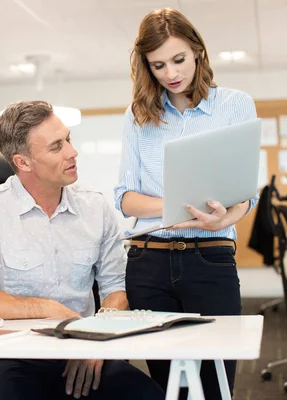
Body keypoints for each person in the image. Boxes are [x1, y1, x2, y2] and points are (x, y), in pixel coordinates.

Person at [0, 100, 164, 400]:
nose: (72, 152)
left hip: (84, 351)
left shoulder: (95, 207)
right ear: (23, 162)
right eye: (56, 146)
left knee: (148, 395)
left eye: (69, 140)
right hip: (13, 357)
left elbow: (117, 287)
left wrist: (95, 337)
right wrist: (47, 309)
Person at [114, 8, 259, 399]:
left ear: (197, 52)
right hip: (149, 262)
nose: (170, 73)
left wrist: (225, 217)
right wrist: (173, 206)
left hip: (209, 257)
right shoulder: (139, 115)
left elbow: (246, 192)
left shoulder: (235, 105)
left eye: (178, 60)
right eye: (158, 65)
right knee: (169, 389)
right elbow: (125, 199)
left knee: (215, 383)